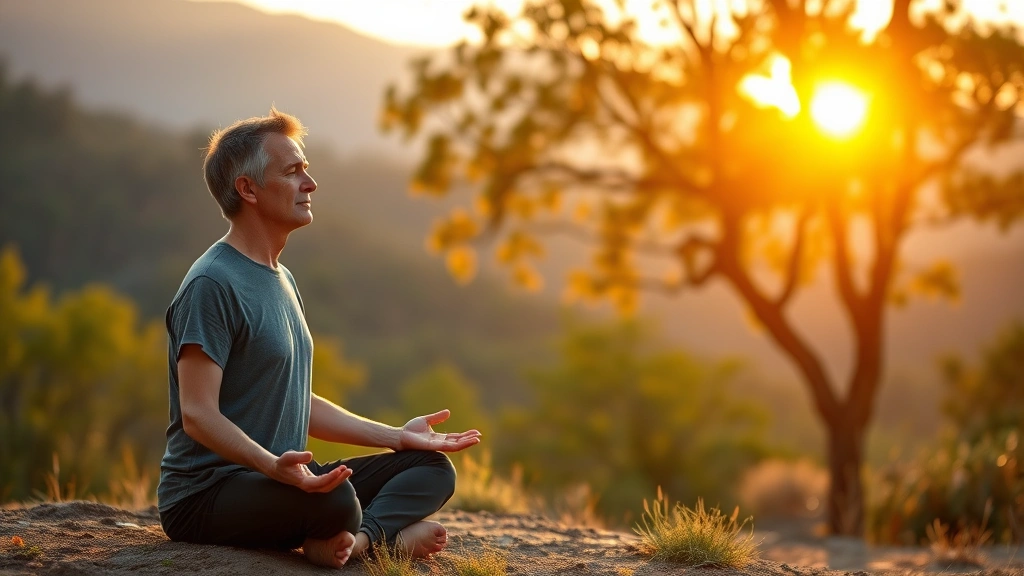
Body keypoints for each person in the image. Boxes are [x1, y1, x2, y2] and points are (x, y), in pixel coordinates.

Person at [157, 107, 482, 568]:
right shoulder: (211, 284)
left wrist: (397, 438)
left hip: (283, 481)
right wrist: (272, 467)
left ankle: (360, 543)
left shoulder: (281, 278)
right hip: (207, 495)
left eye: (306, 169)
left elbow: (293, 400)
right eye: (292, 172)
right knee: (335, 501)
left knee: (431, 468)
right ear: (246, 189)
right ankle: (375, 535)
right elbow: (197, 413)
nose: (310, 183)